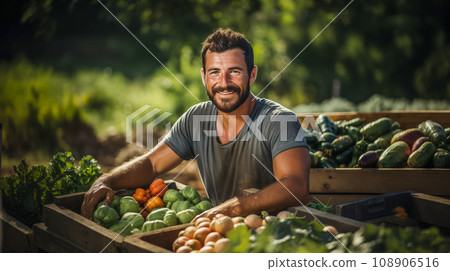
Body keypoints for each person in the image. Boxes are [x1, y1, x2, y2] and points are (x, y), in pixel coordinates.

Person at [81, 28, 310, 220]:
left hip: (276, 233)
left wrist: (234, 207)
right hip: (218, 232)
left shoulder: (278, 120)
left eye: (235, 72)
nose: (224, 83)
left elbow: (295, 186)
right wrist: (106, 180)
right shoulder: (196, 118)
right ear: (203, 77)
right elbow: (151, 165)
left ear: (252, 75)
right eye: (214, 73)